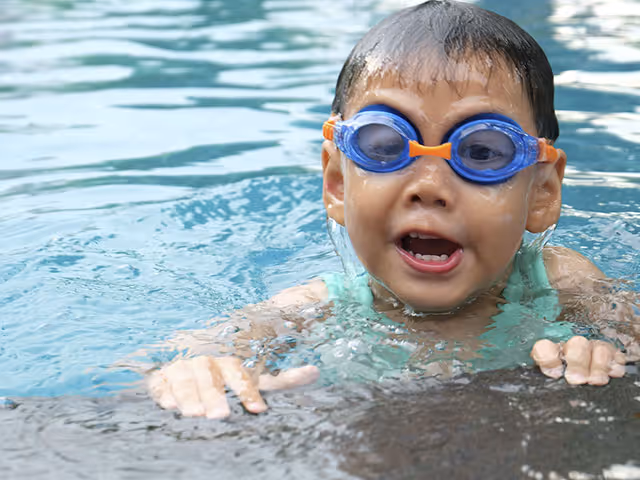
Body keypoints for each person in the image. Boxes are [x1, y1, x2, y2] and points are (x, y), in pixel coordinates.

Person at [143, 0, 639, 419]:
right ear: (337, 181)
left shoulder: (559, 282)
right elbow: (182, 353)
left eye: (483, 151)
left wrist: (602, 355)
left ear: (542, 194)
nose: (429, 188)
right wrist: (195, 369)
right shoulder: (320, 306)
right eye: (383, 145)